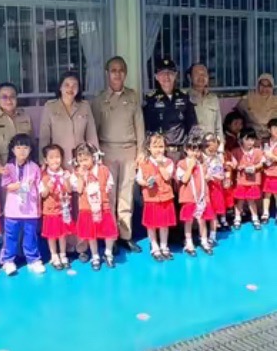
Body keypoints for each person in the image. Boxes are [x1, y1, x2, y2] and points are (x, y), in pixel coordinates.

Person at [39, 71, 98, 261]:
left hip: (81, 163)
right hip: (58, 164)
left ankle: (81, 245)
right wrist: (44, 162)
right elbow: (44, 136)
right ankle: (65, 245)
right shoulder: (50, 107)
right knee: (62, 205)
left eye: (74, 85)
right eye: (67, 84)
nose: (70, 88)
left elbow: (91, 134)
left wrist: (93, 161)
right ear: (60, 87)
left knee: (81, 205)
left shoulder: (84, 106)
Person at [92, 56, 144, 254]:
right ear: (107, 73)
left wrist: (141, 151)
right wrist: (96, 157)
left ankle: (126, 235)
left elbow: (139, 125)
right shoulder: (99, 99)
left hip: (129, 150)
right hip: (107, 151)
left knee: (126, 194)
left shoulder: (132, 96)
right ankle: (110, 236)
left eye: (121, 70)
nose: (117, 74)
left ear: (125, 73)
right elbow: (94, 130)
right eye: (113, 70)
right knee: (109, 195)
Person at [0, 133, 45, 276]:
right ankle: (8, 261)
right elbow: (6, 185)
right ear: (13, 150)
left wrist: (44, 192)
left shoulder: (35, 167)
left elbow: (40, 185)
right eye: (18, 148)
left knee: (30, 236)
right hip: (13, 210)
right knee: (10, 237)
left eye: (25, 148)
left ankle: (33, 260)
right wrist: (20, 185)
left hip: (30, 209)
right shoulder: (8, 167)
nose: (22, 151)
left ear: (30, 150)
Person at [71, 143, 118, 271]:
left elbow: (109, 183)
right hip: (87, 208)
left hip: (103, 207)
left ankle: (108, 253)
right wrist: (81, 177)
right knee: (91, 234)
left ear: (93, 157)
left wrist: (104, 190)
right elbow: (78, 190)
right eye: (80, 160)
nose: (83, 163)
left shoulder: (103, 169)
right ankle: (95, 255)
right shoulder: (77, 173)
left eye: (86, 159)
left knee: (108, 231)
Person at [143, 58, 198, 163]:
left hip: (182, 153)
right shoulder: (151, 100)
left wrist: (192, 148)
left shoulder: (184, 97)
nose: (166, 77)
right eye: (162, 73)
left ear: (175, 75)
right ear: (156, 77)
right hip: (160, 153)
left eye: (170, 73)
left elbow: (193, 125)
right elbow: (147, 128)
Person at [136, 133, 176, 261]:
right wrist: (145, 183)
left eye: (161, 146)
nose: (158, 150)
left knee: (164, 225)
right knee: (152, 225)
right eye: (155, 146)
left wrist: (160, 165)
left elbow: (167, 177)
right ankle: (154, 247)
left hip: (165, 198)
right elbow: (139, 179)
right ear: (149, 148)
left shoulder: (169, 162)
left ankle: (164, 246)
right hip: (151, 199)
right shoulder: (144, 163)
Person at [0, 82, 34, 174]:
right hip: (3, 169)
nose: (9, 100)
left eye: (12, 96)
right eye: (4, 97)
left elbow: (32, 143)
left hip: (25, 169)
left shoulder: (25, 117)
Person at [176, 134, 215, 256]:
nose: (195, 153)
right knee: (188, 221)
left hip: (201, 197)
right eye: (192, 150)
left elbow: (205, 179)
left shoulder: (202, 164)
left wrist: (208, 176)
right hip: (189, 197)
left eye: (198, 150)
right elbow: (184, 179)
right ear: (186, 149)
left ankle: (204, 240)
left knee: (201, 220)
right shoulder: (181, 164)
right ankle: (189, 242)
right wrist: (191, 166)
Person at [40, 144, 75, 271]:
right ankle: (54, 255)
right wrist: (48, 187)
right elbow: (43, 195)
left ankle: (63, 254)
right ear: (45, 160)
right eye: (51, 157)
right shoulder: (43, 175)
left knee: (63, 234)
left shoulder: (66, 173)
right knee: (52, 235)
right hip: (50, 211)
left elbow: (70, 190)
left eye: (58, 157)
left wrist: (66, 180)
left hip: (63, 209)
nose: (55, 160)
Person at [232, 128, 263, 230]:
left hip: (253, 181)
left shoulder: (258, 151)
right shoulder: (236, 151)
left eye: (252, 139)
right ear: (241, 139)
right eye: (247, 139)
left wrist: (255, 167)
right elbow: (234, 164)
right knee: (239, 200)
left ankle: (255, 218)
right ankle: (237, 218)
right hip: (241, 181)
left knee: (251, 201)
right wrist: (238, 167)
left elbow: (262, 163)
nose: (250, 142)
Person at [203, 133, 228, 242]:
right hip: (204, 189)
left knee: (213, 212)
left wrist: (218, 177)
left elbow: (222, 174)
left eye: (213, 142)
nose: (210, 145)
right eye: (207, 143)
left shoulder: (219, 158)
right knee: (203, 212)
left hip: (215, 188)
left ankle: (212, 236)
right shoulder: (201, 158)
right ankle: (202, 235)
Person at [236, 74, 277, 143]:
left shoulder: (275, 101)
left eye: (268, 86)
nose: (265, 88)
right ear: (258, 86)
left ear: (272, 87)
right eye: (262, 85)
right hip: (252, 137)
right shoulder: (248, 99)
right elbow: (240, 110)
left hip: (272, 137)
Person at [188, 63, 224, 139]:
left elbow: (218, 127)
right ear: (190, 77)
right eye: (197, 74)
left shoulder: (213, 98)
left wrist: (220, 143)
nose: (201, 77)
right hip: (192, 144)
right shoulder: (185, 98)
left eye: (204, 74)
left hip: (211, 144)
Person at [262, 119, 277, 224]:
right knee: (266, 193)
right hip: (266, 171)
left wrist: (273, 157)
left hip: (276, 172)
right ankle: (265, 213)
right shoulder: (264, 141)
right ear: (269, 129)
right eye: (274, 128)